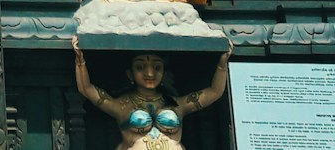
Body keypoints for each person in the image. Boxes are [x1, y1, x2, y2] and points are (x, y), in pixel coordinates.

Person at [73, 46, 229, 148]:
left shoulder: (176, 104)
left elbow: (214, 92)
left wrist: (222, 64)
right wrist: (80, 62)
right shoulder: (122, 105)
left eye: (157, 67)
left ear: (164, 73)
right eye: (140, 67)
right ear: (130, 74)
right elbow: (86, 89)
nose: (149, 73)